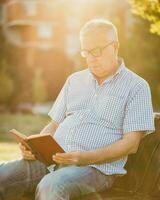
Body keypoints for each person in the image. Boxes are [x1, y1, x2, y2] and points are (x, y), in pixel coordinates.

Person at [0, 18, 155, 200]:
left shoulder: (136, 86)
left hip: (95, 169)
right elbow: (54, 124)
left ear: (115, 46)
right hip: (51, 161)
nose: (90, 59)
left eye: (96, 51)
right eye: (85, 52)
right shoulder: (74, 80)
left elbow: (131, 144)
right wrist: (34, 148)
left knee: (51, 186)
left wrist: (85, 158)